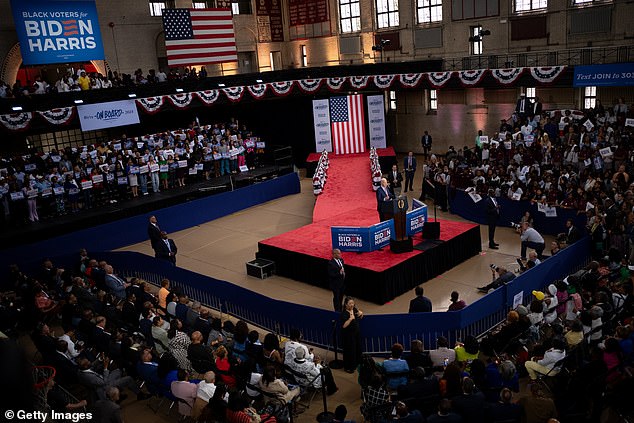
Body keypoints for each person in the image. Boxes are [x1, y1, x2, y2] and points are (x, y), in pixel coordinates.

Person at [341, 297, 363, 373]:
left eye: (352, 303)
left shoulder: (354, 310)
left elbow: (360, 315)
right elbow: (344, 326)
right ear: (346, 304)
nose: (352, 305)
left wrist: (361, 313)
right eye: (350, 303)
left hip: (356, 334)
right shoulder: (344, 313)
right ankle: (349, 367)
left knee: (357, 349)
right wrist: (350, 319)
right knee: (350, 351)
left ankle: (356, 364)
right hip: (349, 336)